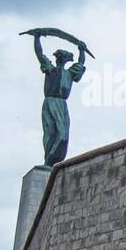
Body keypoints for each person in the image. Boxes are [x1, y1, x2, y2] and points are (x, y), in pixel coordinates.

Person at [31, 35, 87, 167]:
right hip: (51, 102)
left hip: (62, 104)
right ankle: (48, 161)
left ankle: (54, 162)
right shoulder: (50, 69)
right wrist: (37, 38)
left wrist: (82, 50)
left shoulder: (69, 73)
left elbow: (81, 64)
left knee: (63, 135)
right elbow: (40, 54)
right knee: (51, 131)